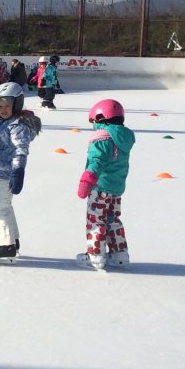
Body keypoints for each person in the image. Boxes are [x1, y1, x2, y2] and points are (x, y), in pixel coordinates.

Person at [0, 82, 42, 261]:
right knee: (5, 205)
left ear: (17, 104)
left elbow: (21, 149)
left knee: (0, 207)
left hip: (7, 172)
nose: (3, 109)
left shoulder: (17, 126)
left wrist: (18, 171)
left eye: (7, 106)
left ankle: (6, 246)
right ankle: (11, 239)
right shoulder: (1, 121)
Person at [76, 99, 136, 270]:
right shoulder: (123, 139)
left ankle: (95, 255)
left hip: (99, 188)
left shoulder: (102, 139)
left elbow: (96, 161)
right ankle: (119, 254)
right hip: (116, 189)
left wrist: (87, 179)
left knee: (96, 221)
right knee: (113, 220)